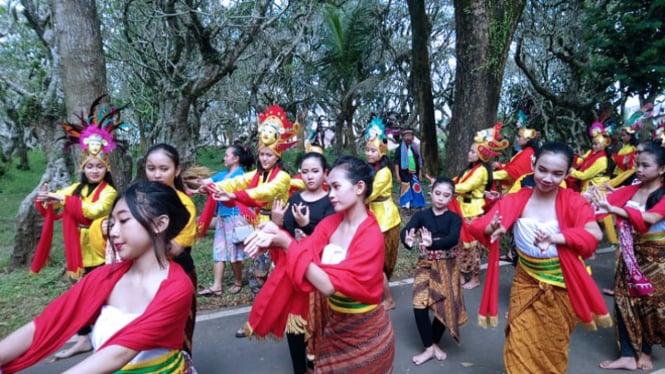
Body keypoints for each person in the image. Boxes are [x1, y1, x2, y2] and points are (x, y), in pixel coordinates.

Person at [0, 182, 195, 374]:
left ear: (159, 224)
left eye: (124, 220)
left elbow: (120, 352)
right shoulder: (104, 277)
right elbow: (45, 324)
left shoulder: (177, 287)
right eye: (112, 223)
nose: (113, 232)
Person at [468, 141, 611, 374]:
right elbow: (482, 224)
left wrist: (559, 237)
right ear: (533, 165)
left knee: (553, 349)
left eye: (557, 173)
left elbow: (593, 233)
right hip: (526, 281)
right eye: (542, 170)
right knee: (518, 343)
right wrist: (491, 227)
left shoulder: (573, 200)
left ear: (567, 174)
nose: (547, 178)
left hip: (563, 284)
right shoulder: (518, 198)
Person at [243, 155, 396, 373]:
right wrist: (273, 235)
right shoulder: (330, 223)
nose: (330, 195)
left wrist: (285, 243)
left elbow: (327, 284)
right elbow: (304, 250)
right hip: (335, 326)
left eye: (336, 187)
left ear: (359, 187)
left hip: (366, 332)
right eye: (329, 187)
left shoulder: (371, 236)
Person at [31, 97, 121, 360]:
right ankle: (84, 337)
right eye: (90, 166)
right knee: (80, 294)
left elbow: (91, 212)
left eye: (99, 167)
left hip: (100, 249)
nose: (95, 170)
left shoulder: (110, 192)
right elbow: (59, 201)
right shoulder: (76, 189)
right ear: (83, 168)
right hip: (79, 251)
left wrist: (63, 200)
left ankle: (106, 334)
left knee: (101, 292)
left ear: (107, 168)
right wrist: (45, 197)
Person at [208, 105, 296, 337]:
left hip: (279, 231)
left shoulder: (283, 177)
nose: (265, 158)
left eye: (269, 155)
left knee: (283, 278)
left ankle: (286, 318)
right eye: (262, 154)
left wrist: (235, 196)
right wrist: (211, 186)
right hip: (258, 230)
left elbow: (264, 193)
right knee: (257, 279)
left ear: (278, 155)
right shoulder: (256, 175)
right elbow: (237, 182)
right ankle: (259, 319)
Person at [591, 140, 665, 371]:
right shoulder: (632, 188)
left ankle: (645, 351)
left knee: (650, 306)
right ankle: (627, 354)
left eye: (645, 166)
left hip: (656, 259)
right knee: (624, 301)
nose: (639, 170)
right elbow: (600, 205)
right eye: (637, 165)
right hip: (629, 254)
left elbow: (650, 219)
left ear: (662, 169)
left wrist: (614, 209)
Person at [269, 152, 335, 374]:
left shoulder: (331, 201)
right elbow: (286, 235)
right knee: (294, 324)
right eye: (305, 172)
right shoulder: (295, 199)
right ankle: (300, 369)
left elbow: (331, 238)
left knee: (321, 323)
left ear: (325, 174)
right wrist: (277, 222)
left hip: (320, 273)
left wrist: (307, 226)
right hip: (294, 270)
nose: (310, 176)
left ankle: (320, 364)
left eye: (315, 171)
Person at [400, 176, 467, 366]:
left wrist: (433, 243)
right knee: (419, 305)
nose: (440, 198)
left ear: (452, 198)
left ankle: (434, 343)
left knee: (445, 307)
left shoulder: (454, 218)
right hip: (426, 265)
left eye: (446, 195)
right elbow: (407, 230)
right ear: (431, 193)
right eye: (437, 193)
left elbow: (452, 239)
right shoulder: (422, 215)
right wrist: (408, 239)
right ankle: (428, 347)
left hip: (448, 266)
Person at [143, 143, 198, 355]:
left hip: (178, 276)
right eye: (151, 168)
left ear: (177, 170)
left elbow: (173, 249)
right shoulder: (138, 199)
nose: (156, 174)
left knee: (179, 336)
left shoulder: (185, 204)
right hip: (144, 277)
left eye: (163, 169)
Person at [453, 122, 508, 289]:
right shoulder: (469, 169)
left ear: (481, 155)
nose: (469, 154)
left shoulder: (481, 171)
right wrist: (444, 184)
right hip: (463, 209)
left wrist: (447, 187)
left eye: (472, 151)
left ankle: (475, 278)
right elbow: (458, 182)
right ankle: (462, 274)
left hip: (474, 211)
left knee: (474, 247)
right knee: (461, 244)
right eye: (470, 151)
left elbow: (466, 187)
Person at [197, 145, 255, 296]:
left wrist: (208, 187)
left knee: (234, 252)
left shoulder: (240, 176)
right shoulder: (223, 174)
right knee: (219, 250)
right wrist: (199, 184)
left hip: (236, 217)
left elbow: (217, 187)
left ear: (236, 159)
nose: (224, 158)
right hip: (222, 217)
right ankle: (217, 286)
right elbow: (206, 183)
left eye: (227, 155)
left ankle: (238, 281)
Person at [364, 116, 401, 310]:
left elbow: (369, 193)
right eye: (368, 150)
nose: (369, 153)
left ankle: (389, 299)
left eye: (373, 150)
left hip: (385, 220)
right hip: (374, 217)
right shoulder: (370, 169)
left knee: (378, 263)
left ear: (382, 151)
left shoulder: (384, 172)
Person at [492, 126, 540, 193]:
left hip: (517, 190)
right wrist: (500, 165)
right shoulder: (526, 151)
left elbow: (513, 172)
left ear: (527, 139)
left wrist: (490, 175)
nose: (517, 139)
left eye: (519, 137)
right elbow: (513, 167)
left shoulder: (528, 153)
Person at [394, 127, 425, 213]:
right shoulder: (399, 149)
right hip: (403, 173)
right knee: (405, 190)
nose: (408, 137)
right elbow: (396, 163)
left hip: (415, 173)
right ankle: (406, 207)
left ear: (413, 137)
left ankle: (417, 205)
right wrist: (398, 175)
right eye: (406, 135)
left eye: (410, 135)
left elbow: (420, 162)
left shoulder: (416, 148)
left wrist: (420, 174)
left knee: (416, 188)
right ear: (403, 137)